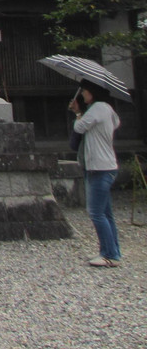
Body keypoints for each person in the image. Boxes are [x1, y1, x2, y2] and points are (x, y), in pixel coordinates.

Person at [70, 81, 121, 268]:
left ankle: (109, 254)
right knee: (106, 213)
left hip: (99, 167)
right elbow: (116, 123)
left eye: (84, 91)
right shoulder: (107, 109)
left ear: (92, 92)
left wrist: (77, 112)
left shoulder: (98, 108)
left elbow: (79, 127)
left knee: (96, 212)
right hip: (106, 164)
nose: (82, 94)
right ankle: (112, 251)